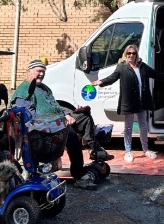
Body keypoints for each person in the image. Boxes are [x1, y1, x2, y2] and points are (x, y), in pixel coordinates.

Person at [11, 59, 100, 190]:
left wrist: (66, 114)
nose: (41, 74)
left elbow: (56, 106)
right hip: (42, 130)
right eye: (39, 71)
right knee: (72, 136)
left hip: (56, 121)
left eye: (43, 71)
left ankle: (94, 148)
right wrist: (55, 122)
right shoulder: (24, 91)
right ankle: (79, 175)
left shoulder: (44, 88)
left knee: (84, 117)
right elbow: (28, 117)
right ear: (29, 72)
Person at [92, 44, 164, 163]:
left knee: (143, 127)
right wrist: (101, 82)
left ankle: (145, 150)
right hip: (129, 102)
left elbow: (157, 74)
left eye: (133, 53)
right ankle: (128, 152)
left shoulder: (142, 67)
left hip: (142, 102)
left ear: (137, 54)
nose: (131, 55)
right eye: (129, 53)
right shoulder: (122, 67)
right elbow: (112, 77)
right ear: (126, 55)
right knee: (128, 127)